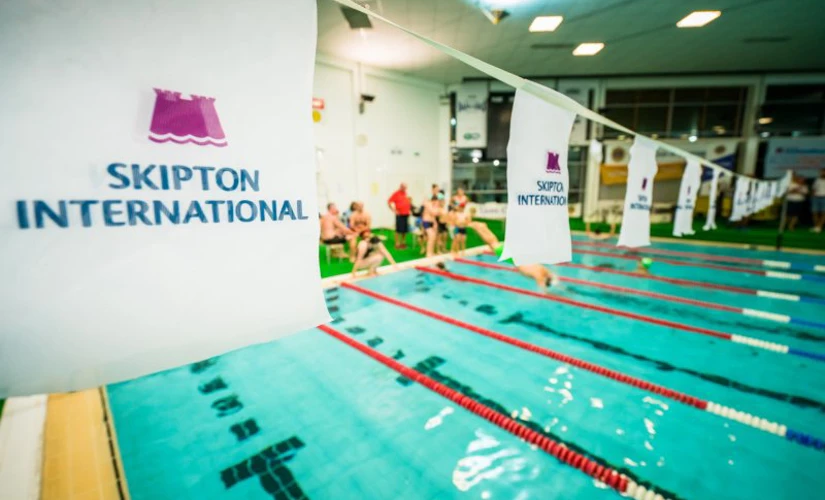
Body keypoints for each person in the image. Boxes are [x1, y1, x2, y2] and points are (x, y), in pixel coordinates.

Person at [468, 220, 559, 293]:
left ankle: (482, 227)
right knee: (493, 244)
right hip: (514, 257)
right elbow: (542, 291)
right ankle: (480, 227)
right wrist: (548, 292)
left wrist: (554, 281)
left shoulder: (542, 270)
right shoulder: (539, 275)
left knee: (494, 243)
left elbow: (552, 275)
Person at [387, 183, 412, 249]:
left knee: (404, 230)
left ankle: (403, 242)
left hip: (406, 214)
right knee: (398, 230)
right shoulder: (396, 193)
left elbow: (407, 202)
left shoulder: (405, 193)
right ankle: (397, 243)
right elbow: (389, 201)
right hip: (400, 214)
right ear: (401, 187)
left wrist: (409, 209)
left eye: (406, 188)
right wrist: (394, 210)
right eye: (404, 187)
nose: (405, 189)